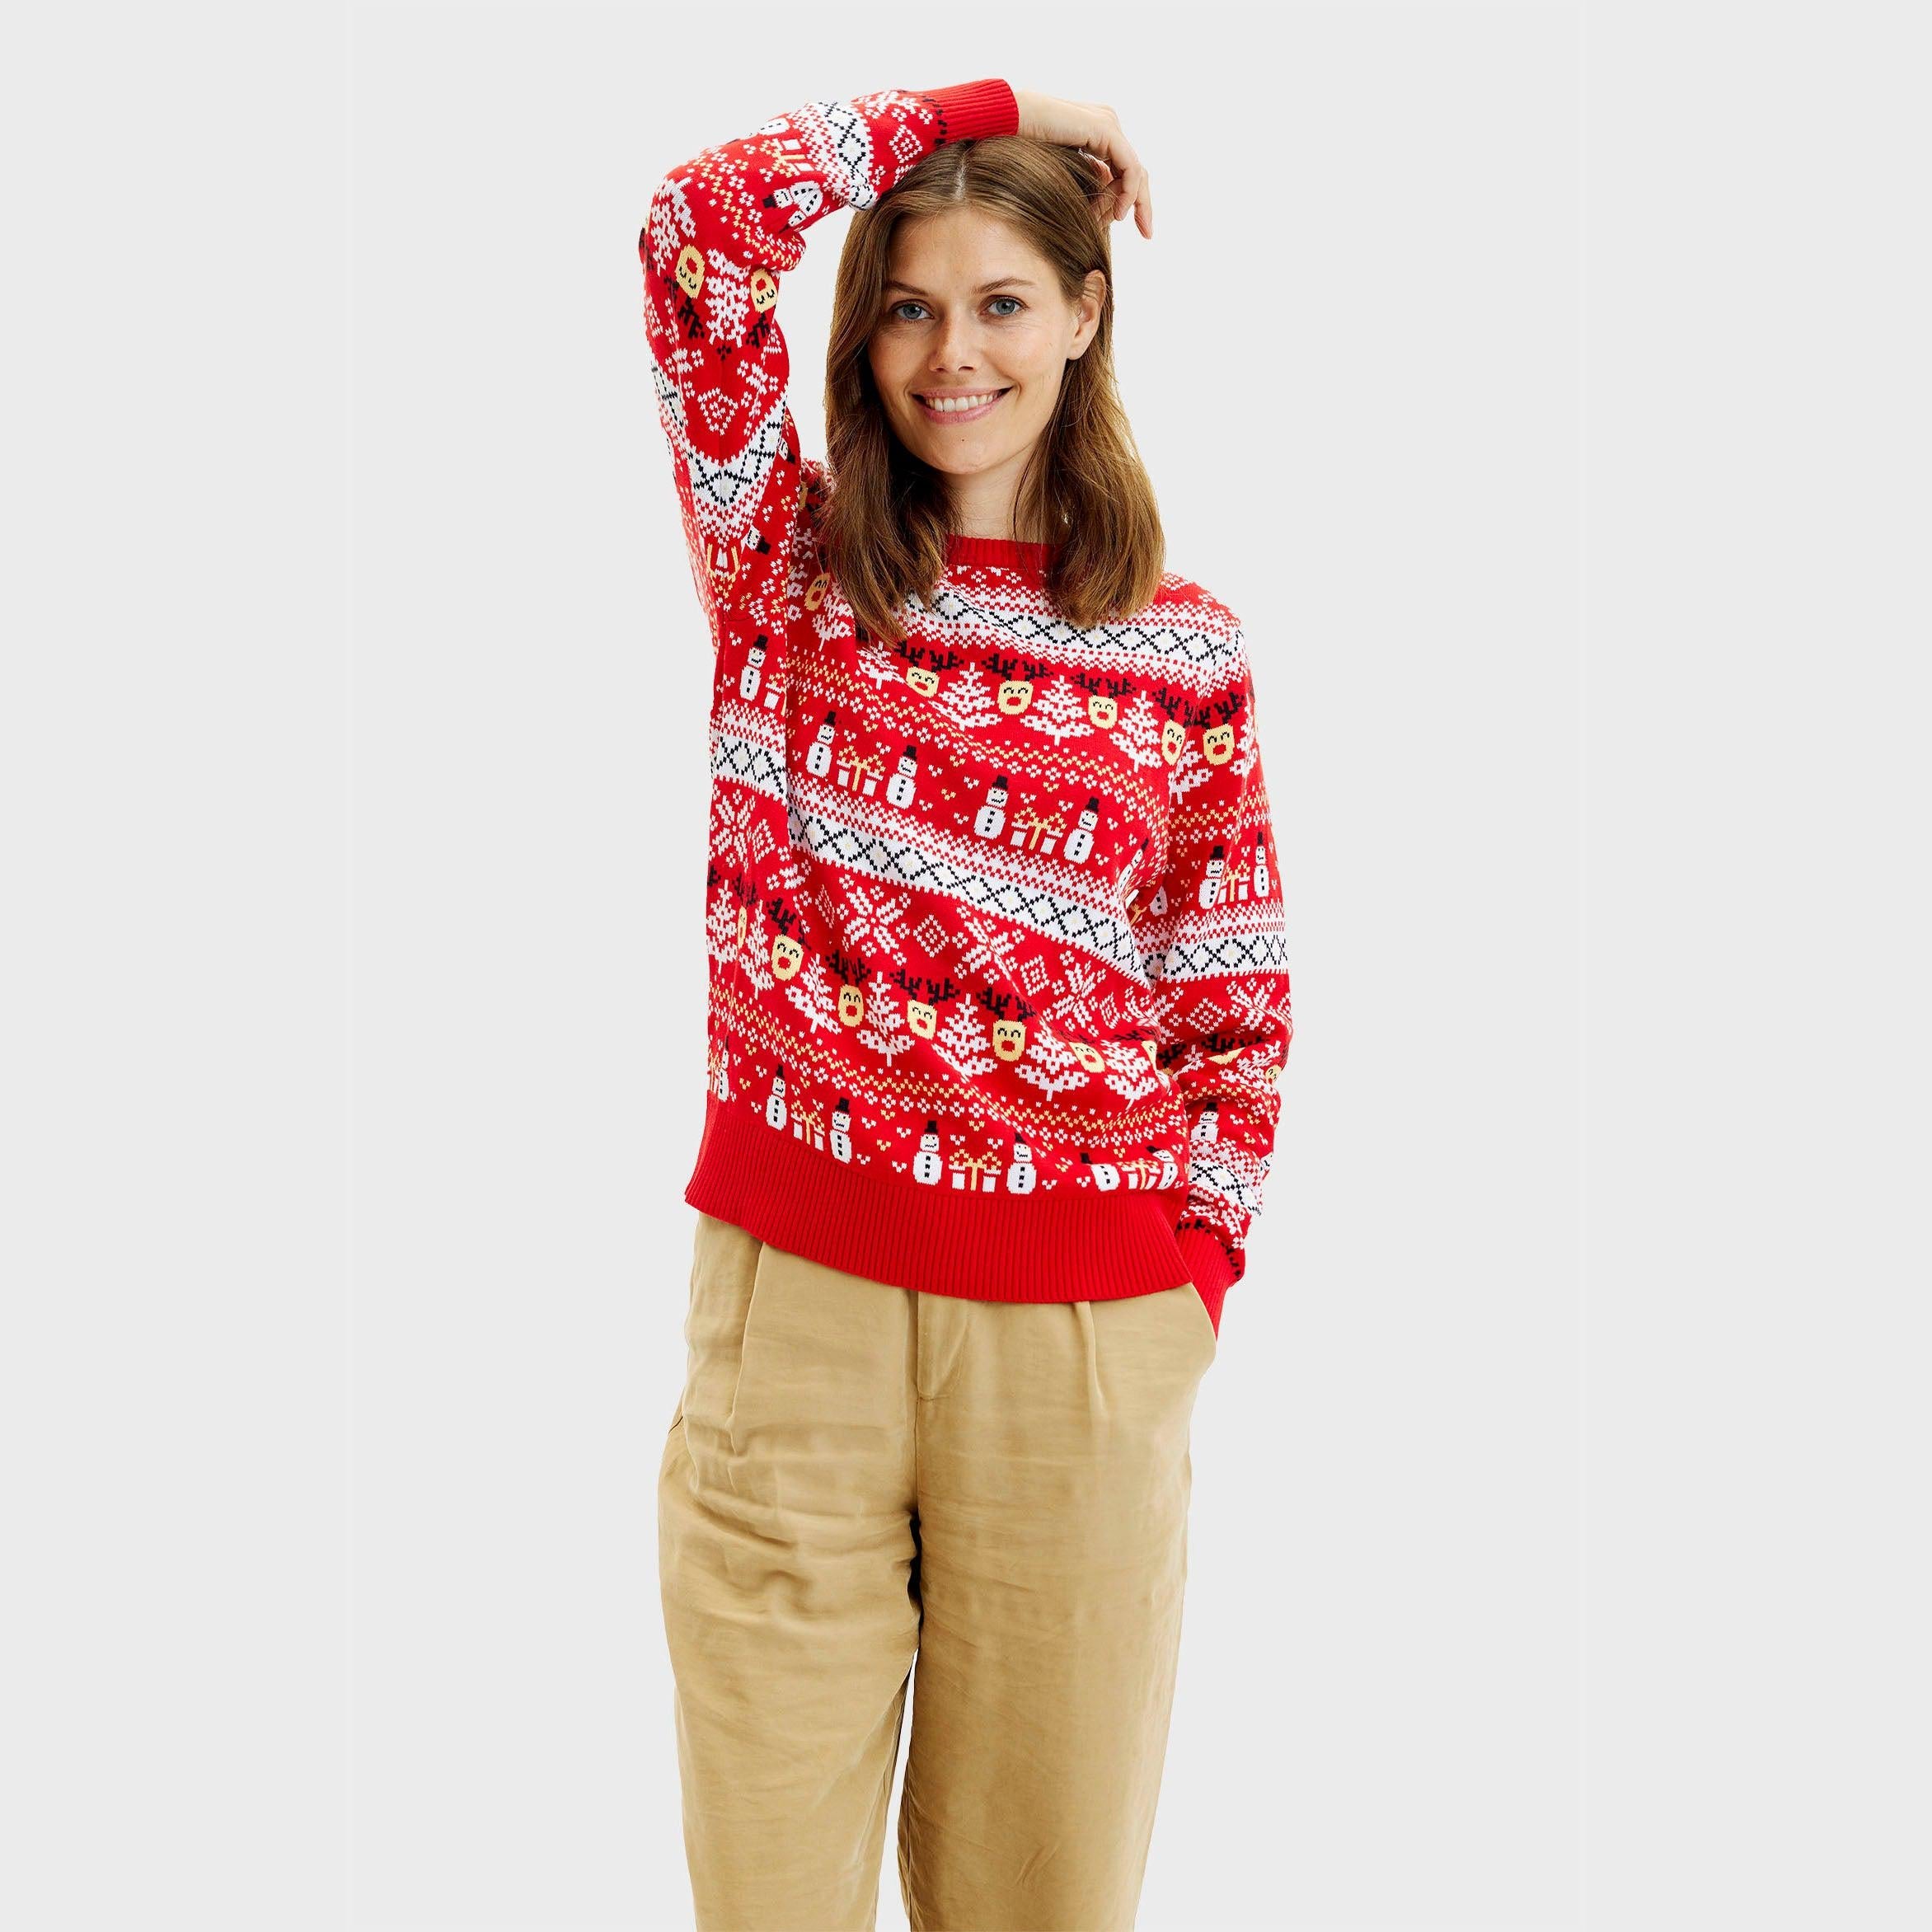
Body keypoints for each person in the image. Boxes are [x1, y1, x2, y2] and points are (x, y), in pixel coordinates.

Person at [638, 77, 1292, 1930]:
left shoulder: (1179, 648)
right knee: (766, 1895)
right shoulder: (785, 575)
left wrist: (1185, 1285)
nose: (952, 355)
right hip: (793, 1331)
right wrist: (989, 107)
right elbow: (693, 235)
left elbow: (1231, 995)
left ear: (1085, 311)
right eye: (908, 307)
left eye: (1001, 301)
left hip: (1077, 1350)